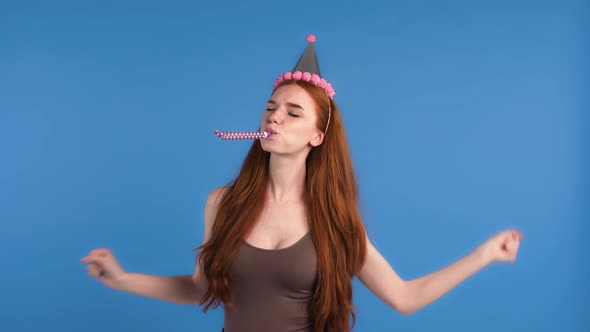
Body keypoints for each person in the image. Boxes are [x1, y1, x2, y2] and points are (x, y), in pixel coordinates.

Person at [80, 34, 523, 332]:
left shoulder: (336, 223)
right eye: (270, 108)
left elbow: (404, 297)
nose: (274, 117)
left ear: (317, 136)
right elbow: (200, 290)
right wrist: (122, 280)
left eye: (293, 113)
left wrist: (484, 255)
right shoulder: (223, 203)